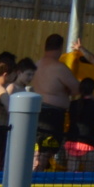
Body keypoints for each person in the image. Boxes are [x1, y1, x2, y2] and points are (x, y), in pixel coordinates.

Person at [30, 35, 78, 167]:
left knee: (37, 152)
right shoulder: (59, 68)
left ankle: (33, 178)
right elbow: (76, 89)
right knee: (43, 153)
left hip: (36, 113)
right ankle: (35, 181)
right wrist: (65, 91)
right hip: (51, 116)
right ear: (60, 48)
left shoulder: (36, 65)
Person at [65, 78, 94, 173]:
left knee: (71, 173)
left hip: (71, 141)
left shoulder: (73, 104)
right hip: (88, 142)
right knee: (89, 175)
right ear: (93, 90)